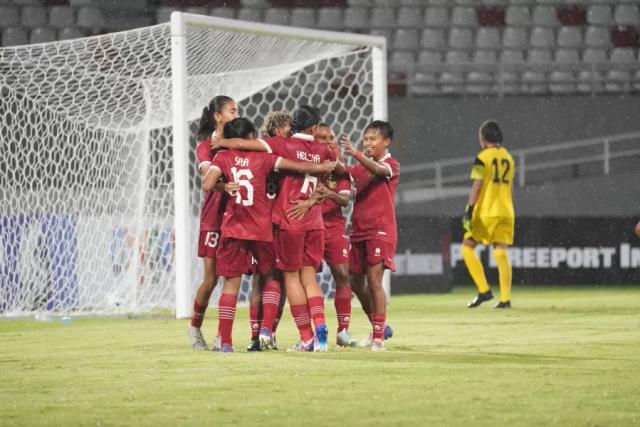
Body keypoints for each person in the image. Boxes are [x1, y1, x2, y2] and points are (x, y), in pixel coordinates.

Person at [214, 106, 342, 352]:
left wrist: (222, 141)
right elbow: (334, 175)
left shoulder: (281, 145)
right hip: (314, 221)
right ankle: (320, 326)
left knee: (286, 278)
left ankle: (304, 336)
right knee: (309, 278)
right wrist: (311, 200)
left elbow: (245, 145)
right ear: (315, 127)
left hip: (286, 219)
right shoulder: (323, 149)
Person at [340, 120, 400, 352]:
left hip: (380, 230)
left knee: (374, 280)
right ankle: (378, 326)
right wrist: (333, 156)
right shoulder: (360, 168)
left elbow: (378, 171)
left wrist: (354, 153)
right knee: (355, 280)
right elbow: (345, 174)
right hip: (358, 230)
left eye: (373, 139)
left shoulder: (390, 164)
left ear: (386, 142)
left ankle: (378, 339)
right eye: (365, 139)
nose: (368, 143)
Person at [188, 95, 239, 350]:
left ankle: (223, 336)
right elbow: (207, 177)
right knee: (211, 279)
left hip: (239, 218)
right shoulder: (205, 146)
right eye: (232, 110)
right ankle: (195, 327)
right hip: (213, 218)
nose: (236, 114)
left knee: (232, 276)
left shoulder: (239, 143)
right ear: (218, 116)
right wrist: (224, 185)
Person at [462, 120, 515, 309]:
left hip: (486, 212)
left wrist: (469, 209)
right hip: (506, 211)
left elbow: (477, 185)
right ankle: (505, 299)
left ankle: (484, 290)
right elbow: (510, 187)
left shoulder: (482, 158)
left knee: (467, 248)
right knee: (500, 251)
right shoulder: (509, 158)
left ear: (483, 139)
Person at [313, 123, 357, 347]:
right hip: (308, 226)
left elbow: (345, 200)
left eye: (332, 137)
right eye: (324, 138)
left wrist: (328, 193)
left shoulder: (341, 170)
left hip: (333, 227)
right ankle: (311, 331)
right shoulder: (304, 165)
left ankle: (343, 330)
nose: (330, 141)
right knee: (303, 279)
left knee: (343, 275)